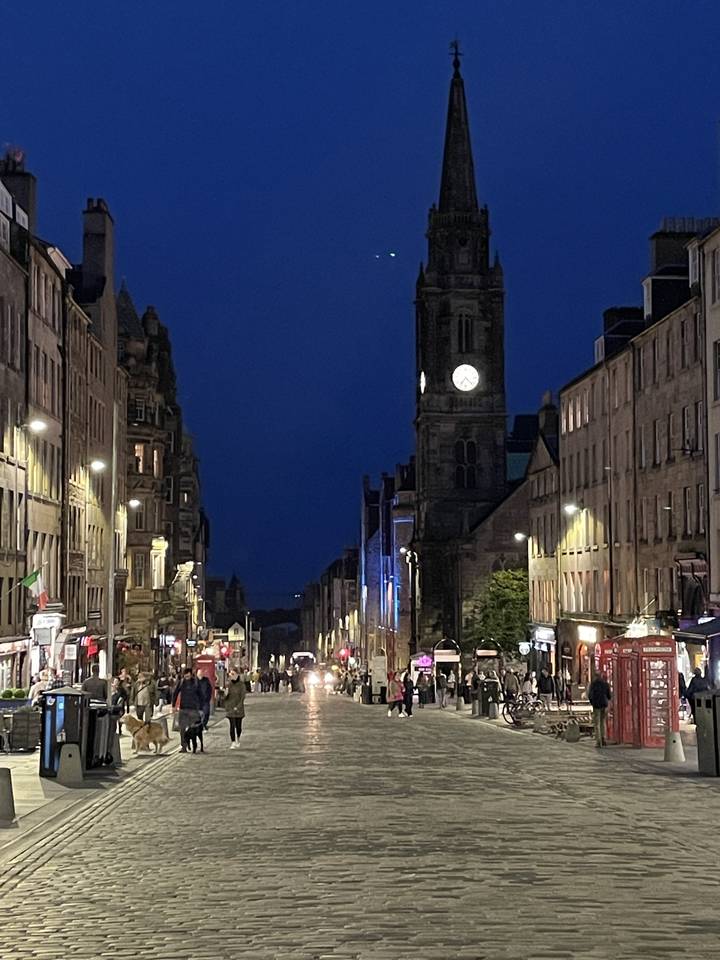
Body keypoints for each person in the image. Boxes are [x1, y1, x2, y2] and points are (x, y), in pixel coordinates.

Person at [172, 668, 203, 753]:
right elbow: (175, 693)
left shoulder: (196, 683)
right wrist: (173, 706)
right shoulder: (181, 682)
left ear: (191, 674)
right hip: (183, 708)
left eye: (188, 675)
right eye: (185, 675)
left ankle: (194, 746)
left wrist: (201, 708)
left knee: (193, 729)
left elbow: (201, 695)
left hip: (193, 709)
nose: (186, 676)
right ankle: (184, 746)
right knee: (182, 729)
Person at [587, 671, 612, 748]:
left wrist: (592, 702)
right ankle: (603, 738)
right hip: (604, 704)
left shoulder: (593, 684)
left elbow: (590, 695)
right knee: (603, 722)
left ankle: (598, 741)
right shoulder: (605, 684)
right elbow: (609, 695)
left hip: (596, 705)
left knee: (597, 723)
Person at [223, 668, 247, 749]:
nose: (231, 676)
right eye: (230, 674)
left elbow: (242, 697)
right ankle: (233, 741)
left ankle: (238, 739)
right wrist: (225, 694)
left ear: (237, 675)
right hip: (230, 708)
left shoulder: (241, 685)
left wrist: (238, 706)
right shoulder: (228, 685)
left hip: (238, 708)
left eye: (233, 674)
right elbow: (225, 697)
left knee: (238, 726)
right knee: (232, 725)